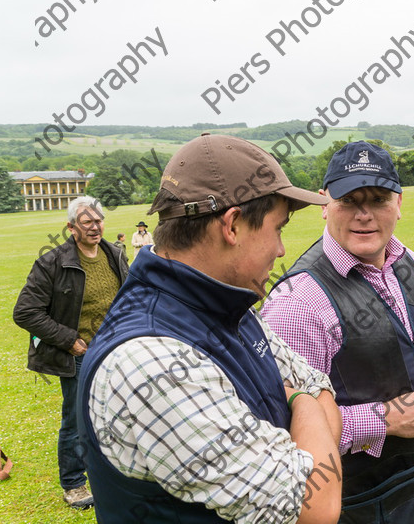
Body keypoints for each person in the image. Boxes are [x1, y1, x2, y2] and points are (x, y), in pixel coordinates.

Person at [77, 134, 342, 524]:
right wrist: (305, 403)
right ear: (232, 225)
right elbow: (314, 505)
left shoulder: (227, 306)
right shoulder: (150, 360)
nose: (282, 250)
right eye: (278, 229)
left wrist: (302, 401)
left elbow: (325, 394)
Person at [262, 141, 414, 523]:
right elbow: (283, 428)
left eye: (378, 199)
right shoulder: (299, 302)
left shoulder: (408, 260)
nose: (364, 215)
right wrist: (384, 419)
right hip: (365, 503)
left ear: (399, 202)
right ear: (324, 203)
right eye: (349, 200)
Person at [13, 196, 128, 508]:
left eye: (99, 220)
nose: (95, 227)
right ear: (71, 227)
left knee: (118, 415)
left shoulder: (114, 254)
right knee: (77, 421)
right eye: (87, 222)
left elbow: (128, 297)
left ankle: (117, 473)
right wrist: (68, 339)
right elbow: (25, 312)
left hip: (115, 352)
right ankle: (75, 483)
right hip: (79, 356)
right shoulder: (51, 263)